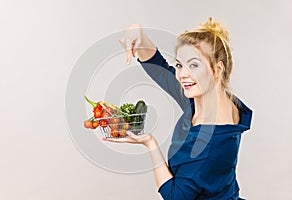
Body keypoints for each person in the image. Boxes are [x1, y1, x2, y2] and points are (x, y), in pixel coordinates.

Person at [104, 18, 253, 199]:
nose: (182, 74)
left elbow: (175, 196)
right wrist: (138, 34)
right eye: (180, 65)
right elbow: (161, 70)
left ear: (217, 69)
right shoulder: (212, 98)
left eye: (194, 65)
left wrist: (150, 143)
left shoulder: (207, 144)